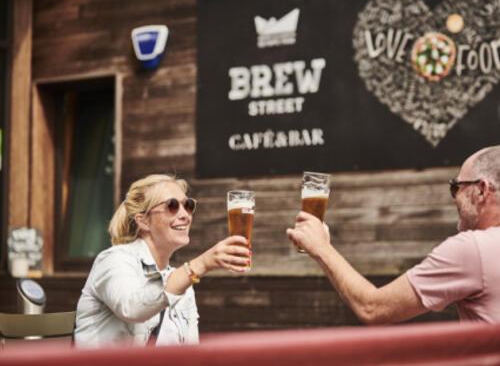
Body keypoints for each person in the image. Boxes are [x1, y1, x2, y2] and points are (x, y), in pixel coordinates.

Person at [287, 146, 500, 324]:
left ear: (481, 189)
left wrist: (321, 247)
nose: (454, 198)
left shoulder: (474, 249)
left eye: (456, 187)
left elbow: (372, 308)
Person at [74, 174, 251, 347]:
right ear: (143, 221)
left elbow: (191, 353)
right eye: (172, 206)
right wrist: (200, 264)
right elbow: (131, 307)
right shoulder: (113, 260)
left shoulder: (182, 281)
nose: (185, 215)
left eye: (188, 205)